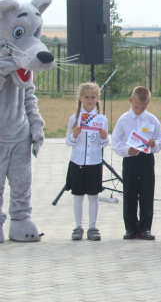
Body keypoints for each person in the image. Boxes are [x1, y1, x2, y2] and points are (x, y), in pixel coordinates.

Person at [112, 86, 161, 240]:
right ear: (131, 101)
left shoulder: (151, 119)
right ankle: (130, 227)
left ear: (147, 105)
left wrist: (153, 144)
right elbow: (116, 142)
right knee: (129, 192)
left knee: (146, 192)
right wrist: (126, 150)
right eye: (136, 107)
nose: (138, 110)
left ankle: (145, 228)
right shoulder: (124, 120)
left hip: (146, 159)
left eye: (142, 108)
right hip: (130, 160)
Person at [64, 82, 109, 241]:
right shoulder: (74, 119)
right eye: (86, 97)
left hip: (94, 162)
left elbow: (104, 144)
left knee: (93, 196)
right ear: (80, 98)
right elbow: (68, 142)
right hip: (77, 162)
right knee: (78, 195)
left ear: (97, 99)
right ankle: (78, 226)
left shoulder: (101, 120)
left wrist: (104, 137)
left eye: (93, 97)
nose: (90, 100)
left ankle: (92, 227)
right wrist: (74, 134)